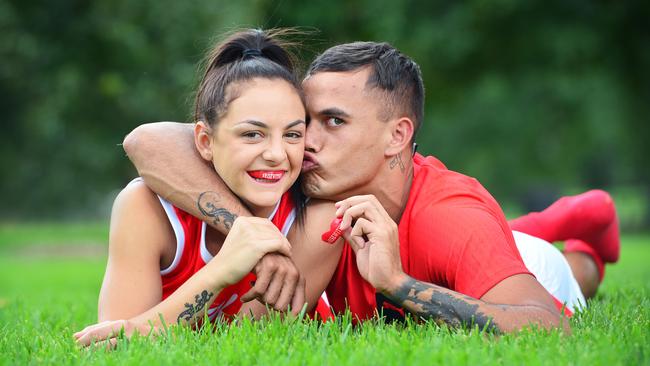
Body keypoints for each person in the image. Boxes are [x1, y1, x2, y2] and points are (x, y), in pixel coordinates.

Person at [123, 41, 620, 333]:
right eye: (304, 121)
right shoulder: (301, 175)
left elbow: (549, 326)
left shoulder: (450, 217)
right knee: (513, 237)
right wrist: (253, 238)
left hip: (524, 266)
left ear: (397, 135)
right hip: (478, 240)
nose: (303, 143)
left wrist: (398, 285)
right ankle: (562, 220)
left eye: (333, 122)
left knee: (563, 271)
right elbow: (149, 141)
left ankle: (586, 238)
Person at [74, 29, 343, 347]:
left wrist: (141, 329)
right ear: (204, 141)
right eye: (252, 134)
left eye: (293, 135)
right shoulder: (145, 207)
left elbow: (249, 347)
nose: (276, 154)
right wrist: (223, 269)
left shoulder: (319, 223)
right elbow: (112, 345)